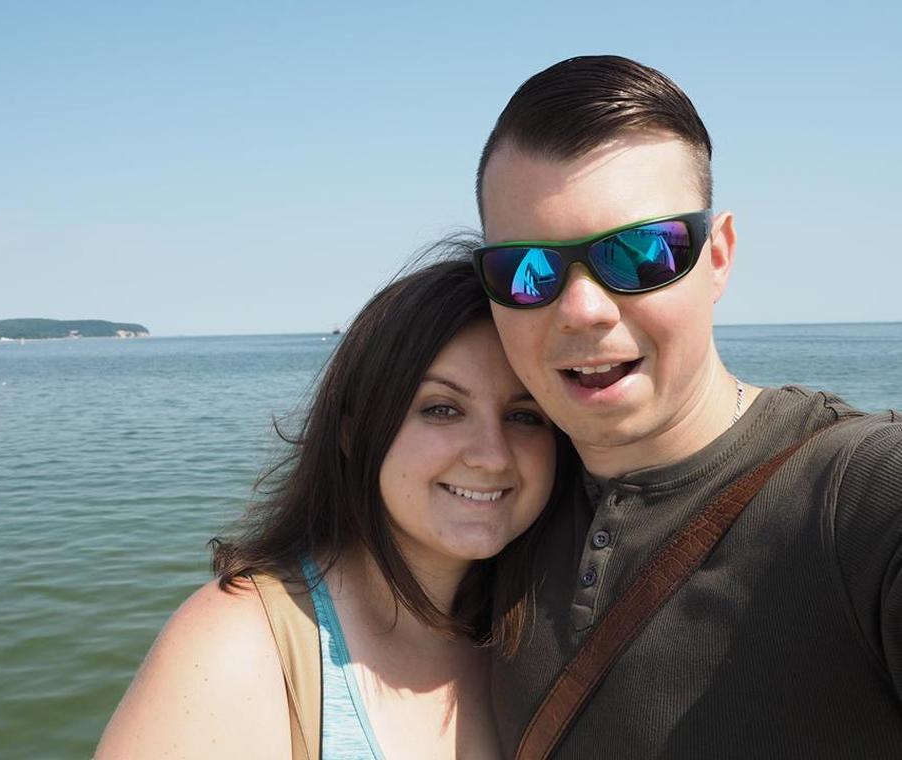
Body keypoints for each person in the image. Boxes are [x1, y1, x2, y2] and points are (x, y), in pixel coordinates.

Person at [472, 54, 902, 758]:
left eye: (641, 252)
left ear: (718, 256)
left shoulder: (859, 493)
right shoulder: (493, 509)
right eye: (527, 269)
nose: (582, 309)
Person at [95, 255, 568, 759]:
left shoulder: (544, 634)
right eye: (442, 409)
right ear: (353, 432)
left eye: (524, 415)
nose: (492, 455)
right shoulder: (239, 647)